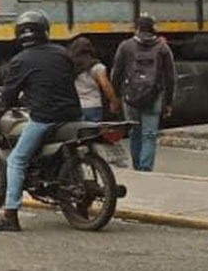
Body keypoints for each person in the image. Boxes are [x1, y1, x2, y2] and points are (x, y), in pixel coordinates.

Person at [0, 10, 82, 233]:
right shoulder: (62, 52)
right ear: (46, 31)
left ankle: (10, 215)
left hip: (44, 118)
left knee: (16, 160)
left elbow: (8, 95)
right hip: (73, 114)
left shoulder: (20, 61)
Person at [110, 15, 176, 172]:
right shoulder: (162, 48)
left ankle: (137, 165)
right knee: (150, 135)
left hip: (130, 97)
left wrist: (115, 97)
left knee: (134, 132)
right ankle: (145, 168)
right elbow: (170, 77)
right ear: (153, 28)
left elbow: (116, 73)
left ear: (137, 28)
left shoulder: (125, 46)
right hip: (154, 97)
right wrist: (168, 103)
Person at [69, 36, 121, 123]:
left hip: (76, 106)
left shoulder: (70, 67)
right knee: (94, 133)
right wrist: (113, 101)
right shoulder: (97, 67)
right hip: (93, 105)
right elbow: (105, 85)